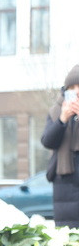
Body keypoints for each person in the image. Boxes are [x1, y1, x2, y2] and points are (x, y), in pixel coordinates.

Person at [42, 64, 79, 227]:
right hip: (64, 183)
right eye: (72, 87)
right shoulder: (56, 111)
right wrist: (62, 120)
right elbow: (47, 141)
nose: (76, 91)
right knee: (67, 234)